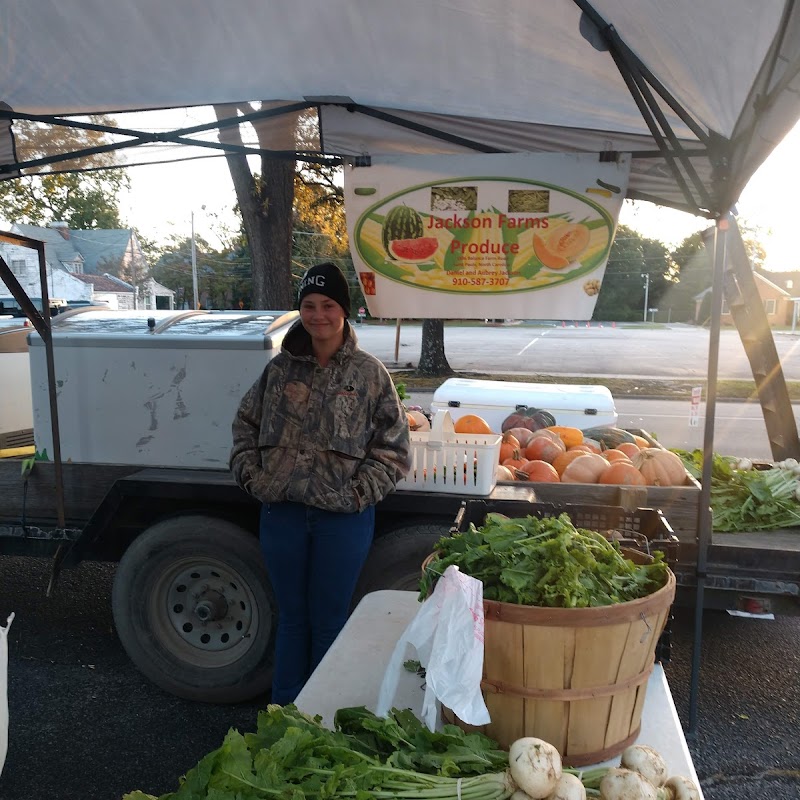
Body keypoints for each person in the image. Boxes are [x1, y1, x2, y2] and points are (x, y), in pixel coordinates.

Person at [230, 261, 411, 704]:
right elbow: (244, 426)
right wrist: (254, 478)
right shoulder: (279, 371)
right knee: (292, 619)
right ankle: (286, 713)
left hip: (342, 522)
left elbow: (394, 448)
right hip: (283, 514)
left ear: (344, 311)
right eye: (309, 306)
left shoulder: (369, 375)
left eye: (328, 305)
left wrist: (356, 495)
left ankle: (325, 715)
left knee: (330, 620)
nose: (318, 315)